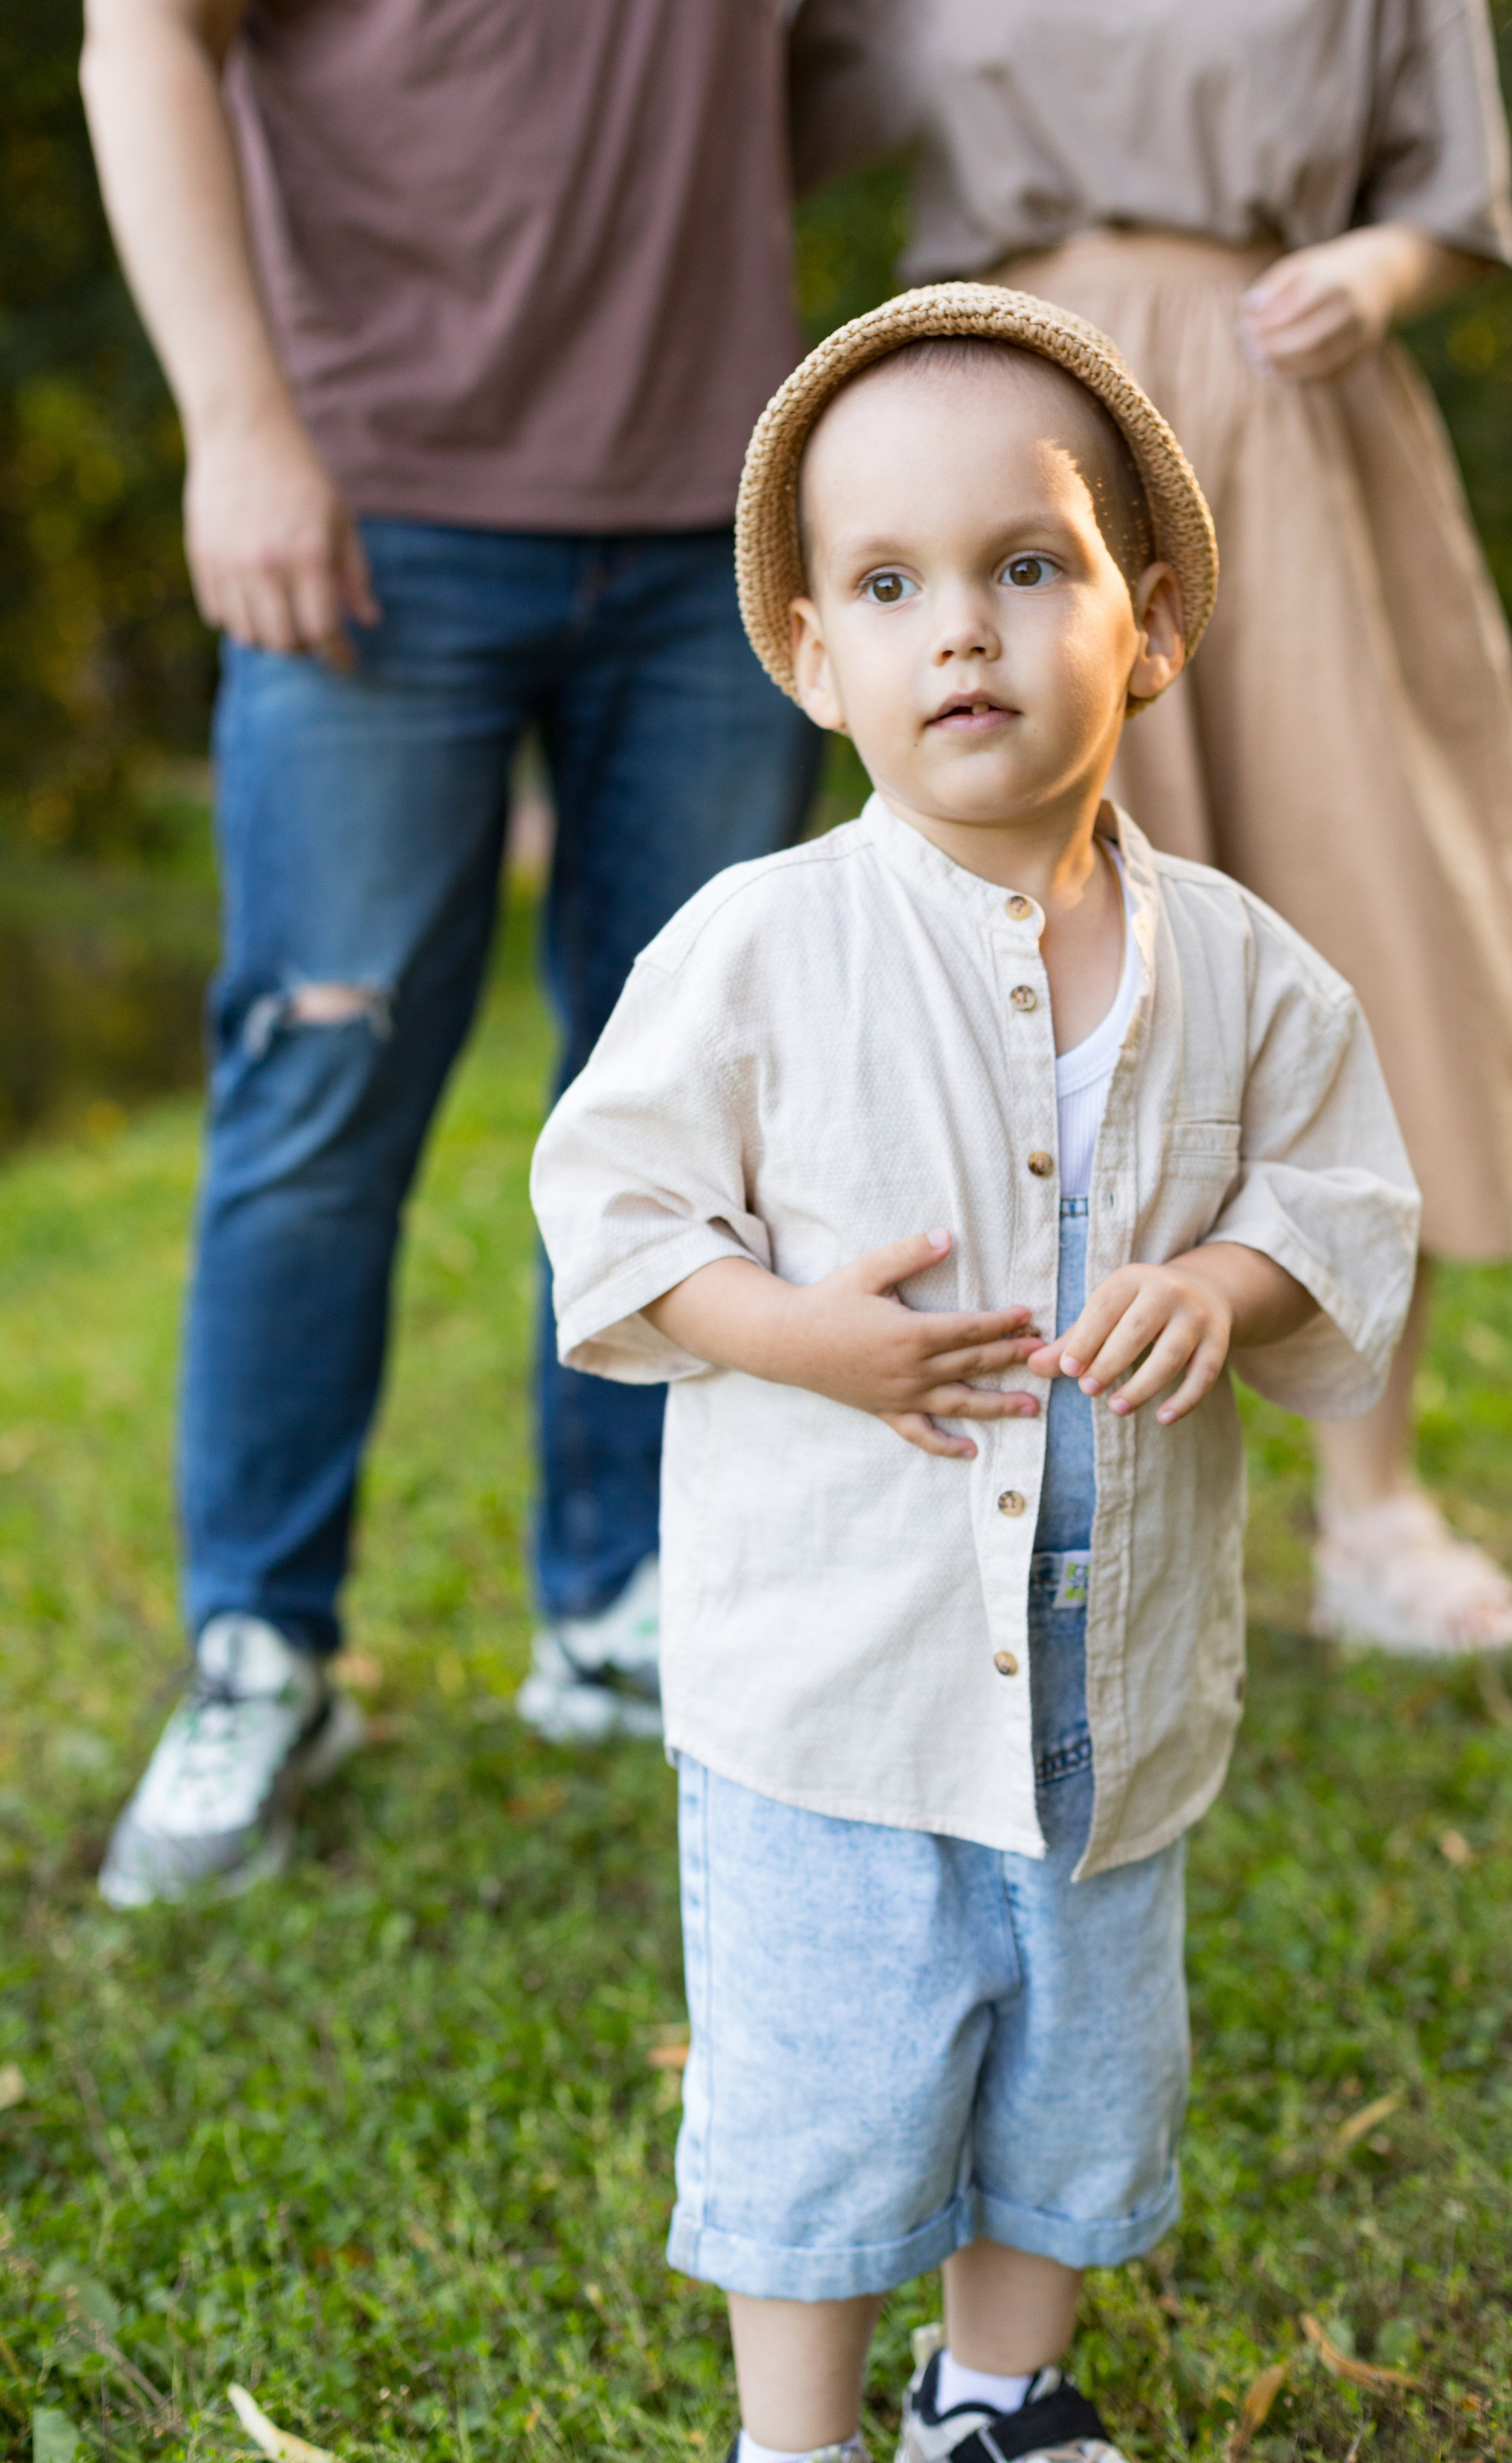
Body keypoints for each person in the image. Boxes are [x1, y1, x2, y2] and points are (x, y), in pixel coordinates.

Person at [533, 286, 1419, 2463]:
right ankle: (799, 2435)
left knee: (1076, 2075)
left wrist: (1229, 1281)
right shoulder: (759, 945)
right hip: (837, 1691)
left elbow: (1344, 1194)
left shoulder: (1244, 966)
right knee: (833, 2087)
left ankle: (999, 2393)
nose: (962, 632)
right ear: (811, 656)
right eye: (889, 587)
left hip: (1111, 1687)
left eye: (1027, 568)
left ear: (1154, 619)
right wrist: (800, 1338)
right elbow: (616, 1211)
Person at [81, 0, 819, 1908]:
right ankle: (261, 1653)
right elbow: (141, 38)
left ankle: (624, 1604)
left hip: (716, 522)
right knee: (319, 1086)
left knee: (693, 1100)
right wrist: (238, 429)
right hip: (370, 507)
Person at [790, 0, 1512, 1659]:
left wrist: (1375, 274)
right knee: (1015, 975)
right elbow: (755, 121)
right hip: (998, 441)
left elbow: (1451, 200)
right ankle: (1011, 1501)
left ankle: (1373, 1503)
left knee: (1360, 927)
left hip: (1281, 422)